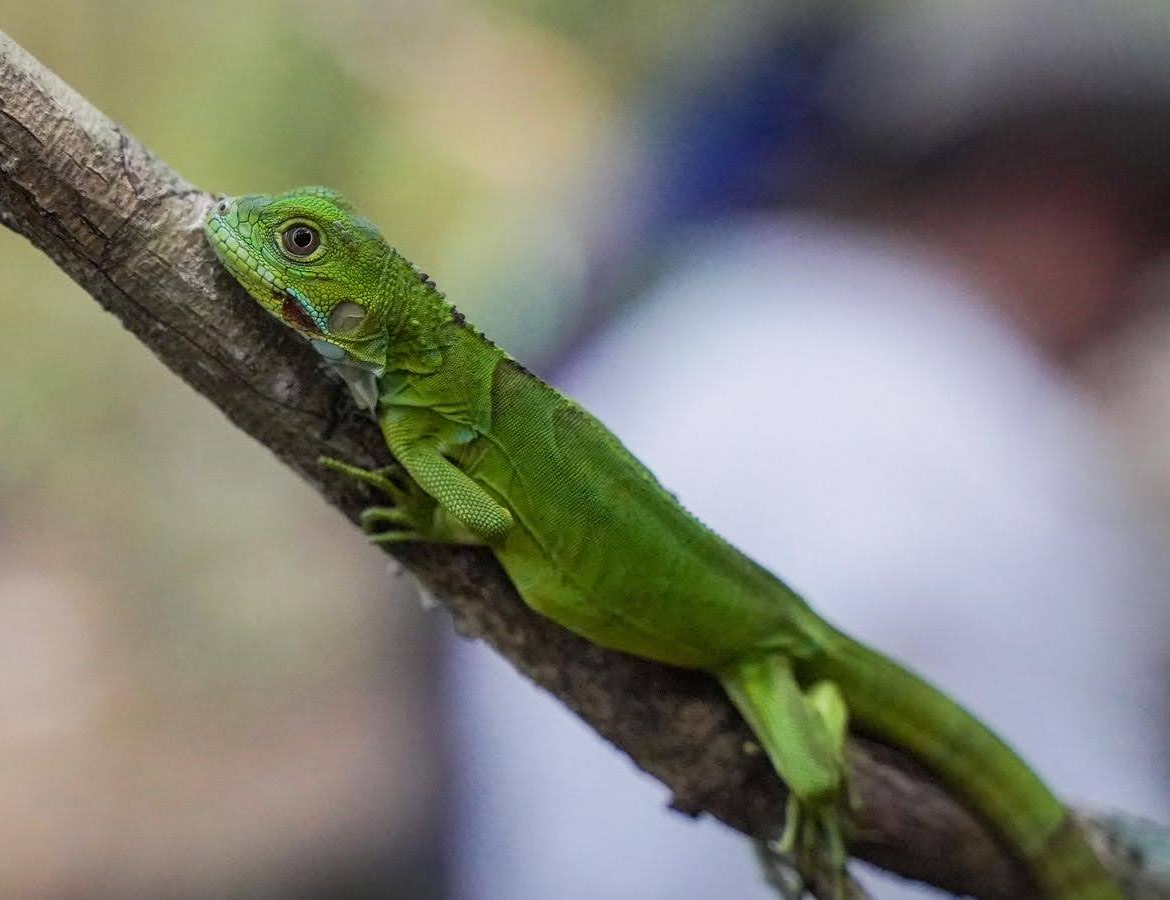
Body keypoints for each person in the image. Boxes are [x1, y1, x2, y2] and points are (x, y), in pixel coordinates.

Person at [445, 3, 1170, 897]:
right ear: (1056, 194)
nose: (1144, 300)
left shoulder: (708, 323)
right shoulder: (961, 425)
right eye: (1147, 237)